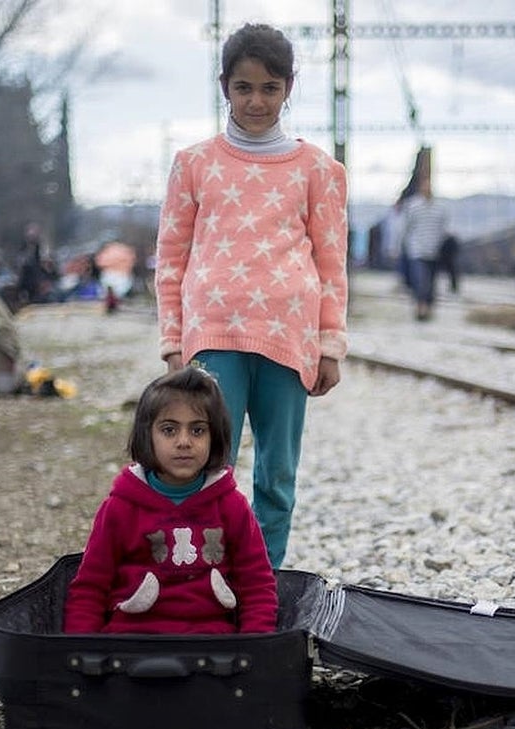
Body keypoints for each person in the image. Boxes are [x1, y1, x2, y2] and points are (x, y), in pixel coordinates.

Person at [153, 22, 349, 569]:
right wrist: (174, 340)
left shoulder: (319, 170)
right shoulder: (194, 164)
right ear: (225, 87)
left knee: (277, 472)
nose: (256, 100)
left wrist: (329, 344)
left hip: (289, 337)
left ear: (289, 86)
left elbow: (332, 265)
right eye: (244, 87)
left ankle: (262, 580)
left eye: (269, 87)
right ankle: (198, 579)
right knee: (203, 466)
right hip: (213, 335)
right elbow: (171, 258)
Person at [63, 367, 278, 635]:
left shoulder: (232, 505)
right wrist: (82, 652)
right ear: (147, 435)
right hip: (130, 644)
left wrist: (256, 648)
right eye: (169, 430)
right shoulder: (120, 507)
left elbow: (257, 585)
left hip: (214, 648)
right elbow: (90, 588)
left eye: (198, 430)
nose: (184, 442)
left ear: (215, 437)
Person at [401, 174, 449, 321]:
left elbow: (443, 228)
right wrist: (404, 244)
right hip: (416, 249)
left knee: (431, 282)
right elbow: (406, 227)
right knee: (420, 279)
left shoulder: (440, 208)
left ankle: (427, 305)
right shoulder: (412, 206)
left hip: (434, 250)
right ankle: (421, 307)